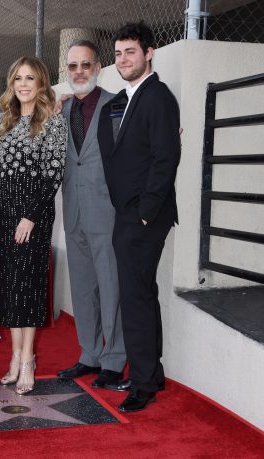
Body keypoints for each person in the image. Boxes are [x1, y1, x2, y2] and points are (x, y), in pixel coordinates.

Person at [98, 22, 181, 412]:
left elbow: (166, 159)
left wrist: (146, 213)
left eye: (130, 52)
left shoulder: (158, 98)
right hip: (127, 213)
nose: (123, 60)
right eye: (117, 54)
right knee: (143, 293)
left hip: (144, 215)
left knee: (133, 297)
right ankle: (153, 373)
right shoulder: (122, 99)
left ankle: (143, 384)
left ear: (149, 53)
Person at [0, 56, 67, 395]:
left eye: (30, 78)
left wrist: (31, 216)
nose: (23, 84)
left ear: (41, 84)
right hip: (4, 212)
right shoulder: (1, 121)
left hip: (32, 214)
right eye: (18, 78)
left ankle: (27, 361)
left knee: (28, 287)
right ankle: (14, 357)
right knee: (9, 287)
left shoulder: (52, 122)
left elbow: (53, 175)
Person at [56, 40, 127, 390]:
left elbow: (129, 151)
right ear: (66, 71)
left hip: (107, 210)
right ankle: (89, 355)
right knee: (83, 287)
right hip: (73, 211)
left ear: (98, 68)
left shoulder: (117, 104)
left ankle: (114, 359)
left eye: (86, 65)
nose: (79, 71)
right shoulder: (62, 110)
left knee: (111, 285)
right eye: (73, 66)